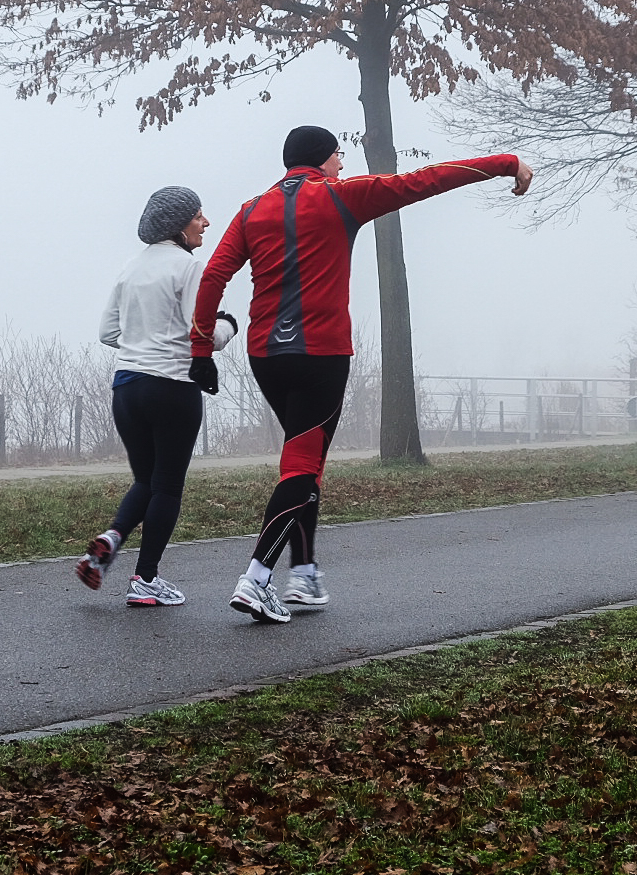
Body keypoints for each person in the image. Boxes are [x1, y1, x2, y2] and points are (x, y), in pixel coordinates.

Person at [190, 126, 532, 623]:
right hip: (321, 352)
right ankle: (256, 580)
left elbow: (214, 276)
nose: (342, 164)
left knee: (305, 461)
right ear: (321, 159)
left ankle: (304, 574)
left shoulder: (250, 210)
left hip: (267, 354)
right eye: (338, 155)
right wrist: (506, 163)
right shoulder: (343, 196)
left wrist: (202, 348)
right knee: (302, 465)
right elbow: (427, 180)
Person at [80, 186, 238, 606]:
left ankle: (110, 539)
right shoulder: (190, 267)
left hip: (126, 386)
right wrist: (230, 325)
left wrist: (144, 341)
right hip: (171, 385)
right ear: (178, 225)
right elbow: (202, 332)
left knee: (146, 480)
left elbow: (107, 333)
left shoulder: (130, 268)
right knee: (167, 486)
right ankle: (146, 580)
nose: (206, 223)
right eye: (199, 216)